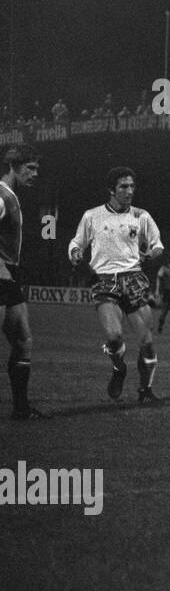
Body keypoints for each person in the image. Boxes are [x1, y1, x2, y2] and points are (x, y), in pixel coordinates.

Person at [68, 166, 165, 404]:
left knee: (147, 342)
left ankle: (146, 391)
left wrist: (151, 254)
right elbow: (76, 242)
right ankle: (119, 368)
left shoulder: (141, 215)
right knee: (113, 336)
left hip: (133, 279)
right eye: (124, 186)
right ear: (111, 190)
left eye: (132, 186)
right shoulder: (92, 216)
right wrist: (75, 252)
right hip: (104, 280)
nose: (129, 191)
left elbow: (157, 244)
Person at [0, 146, 46, 419]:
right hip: (1, 274)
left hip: (9, 277)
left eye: (37, 169)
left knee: (24, 340)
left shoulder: (12, 196)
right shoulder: (2, 195)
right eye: (30, 168)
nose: (35, 173)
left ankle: (21, 409)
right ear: (13, 166)